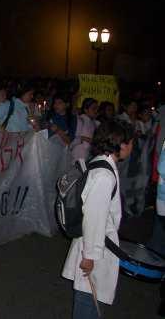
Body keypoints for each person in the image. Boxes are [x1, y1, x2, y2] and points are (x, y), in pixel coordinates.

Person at [62, 119, 134, 319]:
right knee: (88, 301)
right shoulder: (104, 175)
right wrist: (90, 256)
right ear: (121, 144)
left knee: (89, 300)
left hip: (96, 243)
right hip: (95, 246)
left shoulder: (100, 162)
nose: (132, 147)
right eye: (131, 142)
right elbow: (94, 217)